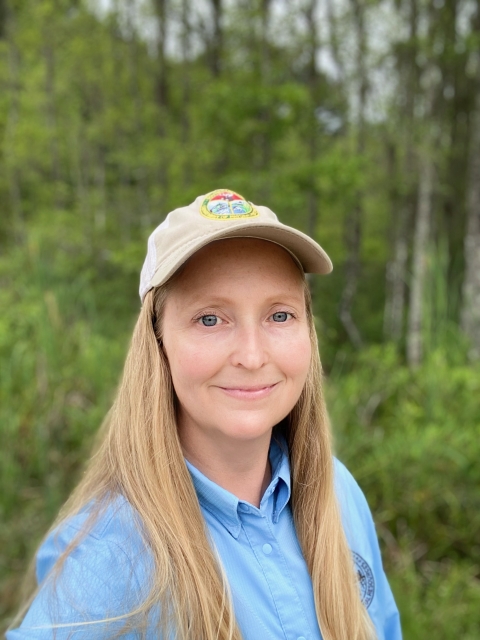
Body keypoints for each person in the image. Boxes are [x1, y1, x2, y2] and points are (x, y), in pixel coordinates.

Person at [7, 189, 402, 640]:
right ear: (158, 345)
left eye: (279, 315)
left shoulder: (338, 492)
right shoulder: (110, 555)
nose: (252, 356)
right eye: (210, 320)